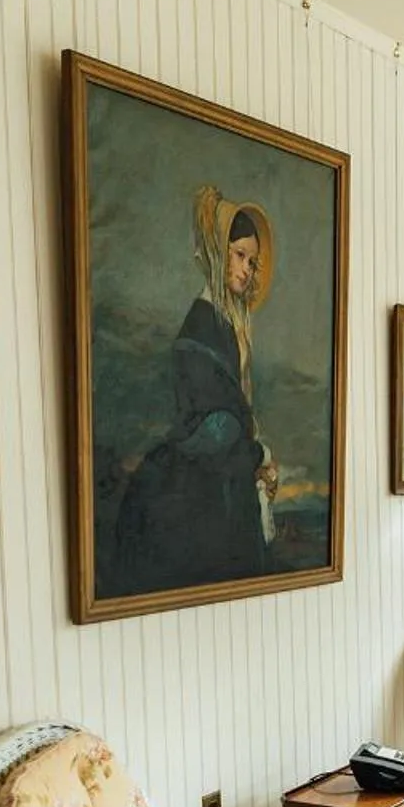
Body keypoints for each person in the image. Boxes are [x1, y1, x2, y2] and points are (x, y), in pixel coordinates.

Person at [112, 188, 279, 594]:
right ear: (218, 253)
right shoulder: (202, 329)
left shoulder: (226, 325)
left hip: (226, 481)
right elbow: (217, 429)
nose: (247, 269)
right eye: (239, 255)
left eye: (252, 261)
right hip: (205, 490)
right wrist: (259, 455)